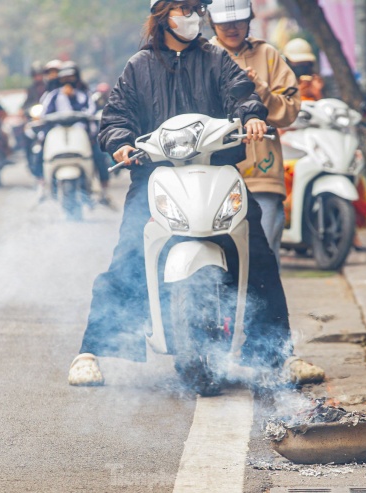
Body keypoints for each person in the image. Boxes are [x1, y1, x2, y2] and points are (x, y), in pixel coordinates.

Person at [68, 0, 294, 387]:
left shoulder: (217, 60)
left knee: (256, 252)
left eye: (194, 8)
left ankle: (277, 354)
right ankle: (91, 351)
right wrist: (121, 142)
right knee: (128, 254)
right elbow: (115, 117)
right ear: (162, 15)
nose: (190, 15)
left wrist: (253, 115)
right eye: (181, 8)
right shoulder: (138, 66)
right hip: (154, 178)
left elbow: (242, 94)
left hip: (217, 172)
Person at [208, 0, 326, 385]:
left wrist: (259, 91)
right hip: (215, 175)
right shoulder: (202, 56)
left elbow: (290, 111)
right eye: (224, 23)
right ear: (211, 22)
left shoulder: (269, 55)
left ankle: (267, 352)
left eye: (238, 21)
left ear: (248, 20)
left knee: (266, 261)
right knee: (217, 263)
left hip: (261, 175)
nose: (232, 29)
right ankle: (216, 352)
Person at [284, 37, 366, 252]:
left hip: (318, 142)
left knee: (352, 171)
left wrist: (317, 92)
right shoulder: (280, 82)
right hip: (290, 144)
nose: (302, 70)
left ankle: (351, 232)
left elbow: (329, 112)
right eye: (297, 66)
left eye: (306, 65)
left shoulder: (318, 83)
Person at [41, 63, 111, 203]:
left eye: (71, 77)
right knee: (38, 153)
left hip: (82, 135)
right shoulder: (53, 96)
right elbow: (45, 114)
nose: (68, 81)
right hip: (58, 136)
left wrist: (72, 98)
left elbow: (91, 112)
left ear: (76, 78)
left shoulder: (84, 95)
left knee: (100, 156)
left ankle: (103, 191)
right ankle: (42, 185)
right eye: (64, 78)